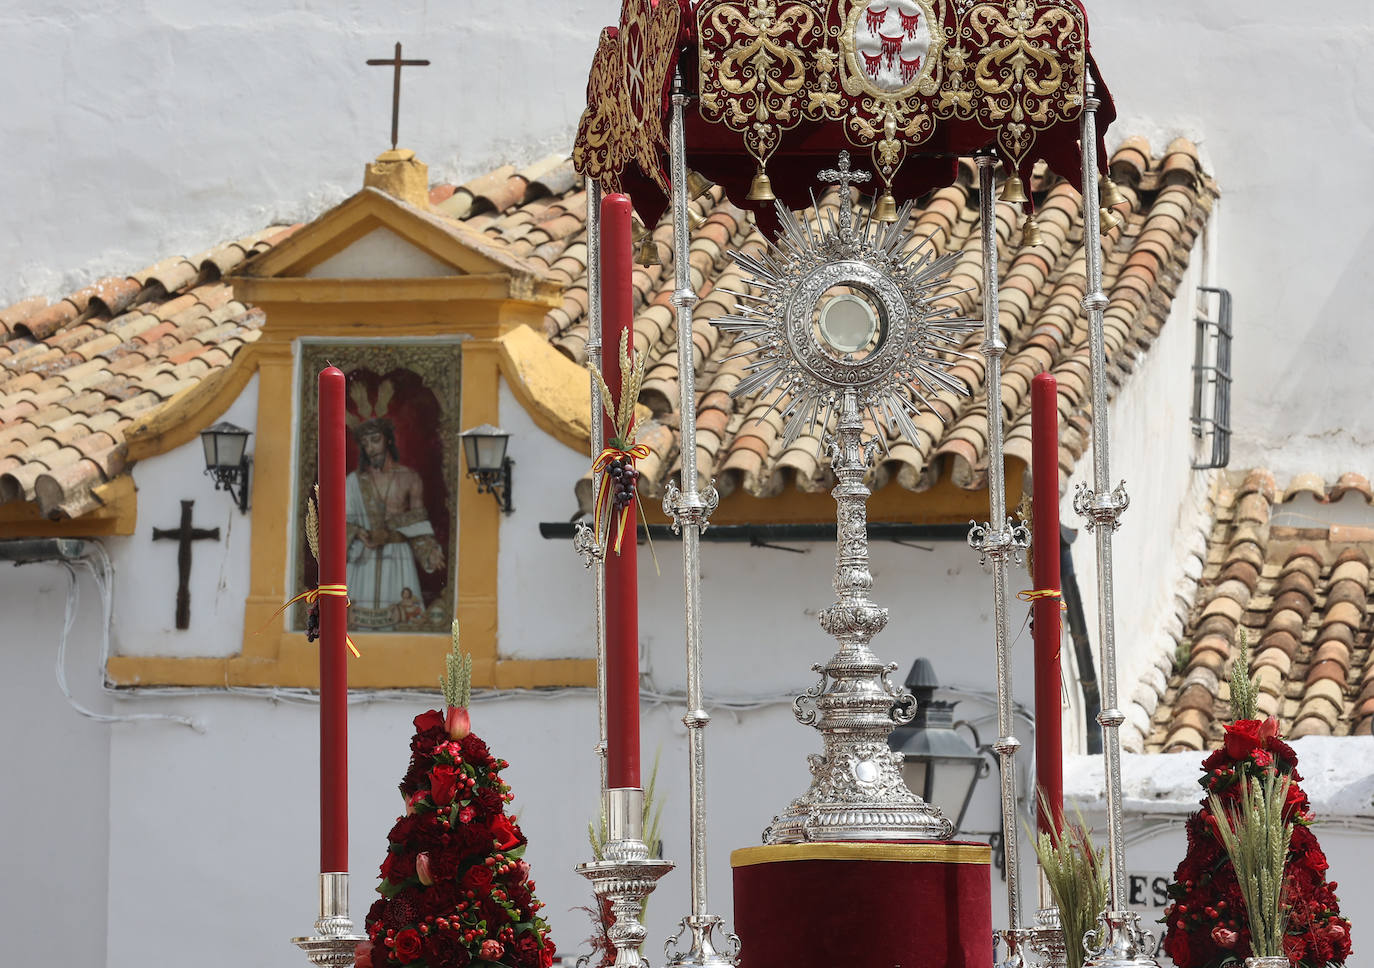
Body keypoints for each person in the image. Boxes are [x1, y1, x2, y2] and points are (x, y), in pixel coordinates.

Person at [344, 418, 445, 630]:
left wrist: (430, 551)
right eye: (366, 443)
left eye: (375, 440)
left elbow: (417, 523)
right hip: (363, 559)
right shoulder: (353, 482)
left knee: (404, 622)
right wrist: (358, 532)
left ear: (388, 440)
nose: (371, 448)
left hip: (398, 558)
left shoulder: (409, 478)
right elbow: (340, 522)